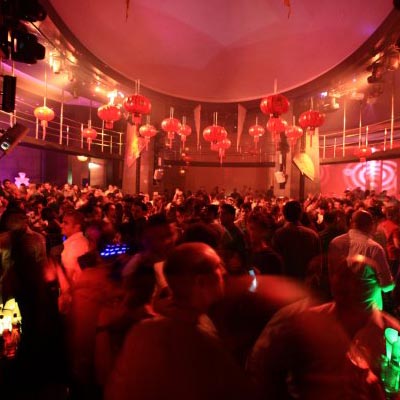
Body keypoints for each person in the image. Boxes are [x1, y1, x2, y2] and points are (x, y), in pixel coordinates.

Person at [105, 243, 255, 400]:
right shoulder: (200, 339)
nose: (224, 272)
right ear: (200, 282)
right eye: (218, 266)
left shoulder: (141, 330)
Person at [247, 254, 400, 400]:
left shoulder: (392, 332)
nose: (350, 286)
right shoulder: (306, 322)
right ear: (333, 282)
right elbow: (264, 366)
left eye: (360, 280)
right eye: (344, 278)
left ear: (375, 285)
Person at [329, 209, 394, 311]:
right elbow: (386, 286)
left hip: (341, 307)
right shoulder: (374, 248)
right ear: (371, 225)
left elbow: (331, 275)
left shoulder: (335, 243)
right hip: (368, 310)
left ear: (351, 223)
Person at [272, 200, 321, 280]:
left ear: (284, 215)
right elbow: (318, 262)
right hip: (306, 280)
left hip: (286, 280)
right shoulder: (313, 235)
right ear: (300, 215)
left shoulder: (279, 234)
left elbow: (276, 261)